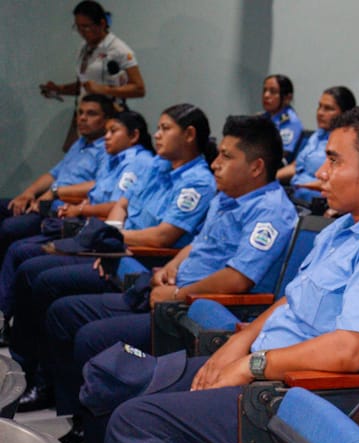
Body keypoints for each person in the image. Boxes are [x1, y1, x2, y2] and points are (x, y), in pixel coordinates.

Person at [85, 107, 359, 443]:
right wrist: (236, 347)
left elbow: (352, 350)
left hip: (300, 400)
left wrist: (253, 365)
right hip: (263, 376)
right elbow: (291, 302)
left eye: (334, 160)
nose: (320, 172)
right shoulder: (344, 226)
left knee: (137, 423)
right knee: (116, 378)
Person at [43, 115, 296, 443]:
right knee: (66, 312)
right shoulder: (228, 196)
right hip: (171, 295)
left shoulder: (271, 210)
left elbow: (237, 280)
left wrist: (177, 291)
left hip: (194, 312)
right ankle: (84, 426)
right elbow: (198, 243)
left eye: (226, 156)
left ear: (256, 166)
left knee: (92, 339)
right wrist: (171, 266)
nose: (215, 164)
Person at [11, 103, 217, 412]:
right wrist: (110, 236)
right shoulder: (158, 166)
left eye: (165, 129)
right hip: (117, 251)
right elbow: (121, 204)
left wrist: (113, 240)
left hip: (140, 260)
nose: (157, 136)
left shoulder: (198, 181)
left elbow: (163, 237)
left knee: (43, 280)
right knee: (32, 269)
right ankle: (32, 374)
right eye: (157, 128)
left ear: (189, 135)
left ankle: (47, 386)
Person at [0, 110, 155, 321]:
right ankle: (7, 320)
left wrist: (81, 210)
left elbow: (116, 205)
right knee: (20, 250)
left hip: (107, 238)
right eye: (107, 131)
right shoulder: (115, 159)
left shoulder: (139, 162)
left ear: (134, 136)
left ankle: (10, 325)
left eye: (113, 131)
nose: (106, 137)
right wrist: (81, 206)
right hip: (92, 229)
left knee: (25, 255)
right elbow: (107, 198)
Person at [0, 94, 114, 263]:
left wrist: (55, 193)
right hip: (46, 201)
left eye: (91, 114)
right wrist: (28, 193)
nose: (82, 118)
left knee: (10, 228)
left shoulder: (107, 148)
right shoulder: (80, 143)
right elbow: (53, 174)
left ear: (106, 120)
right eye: (80, 112)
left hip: (63, 210)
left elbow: (99, 185)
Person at [39, 1, 146, 150]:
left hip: (107, 116)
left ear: (101, 24)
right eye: (78, 27)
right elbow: (85, 85)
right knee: (75, 156)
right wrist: (59, 89)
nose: (82, 32)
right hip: (84, 113)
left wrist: (104, 90)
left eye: (86, 27)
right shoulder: (84, 48)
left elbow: (139, 88)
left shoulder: (118, 50)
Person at [276, 86, 357, 204]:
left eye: (328, 108)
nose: (320, 113)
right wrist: (268, 179)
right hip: (294, 195)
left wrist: (299, 187)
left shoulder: (347, 142)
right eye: (319, 106)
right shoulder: (318, 135)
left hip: (316, 202)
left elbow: (337, 183)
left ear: (345, 113)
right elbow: (295, 166)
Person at [262, 74, 303, 161]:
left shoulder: (290, 122)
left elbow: (280, 154)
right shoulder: (263, 117)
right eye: (264, 90)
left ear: (287, 98)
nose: (266, 95)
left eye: (272, 92)